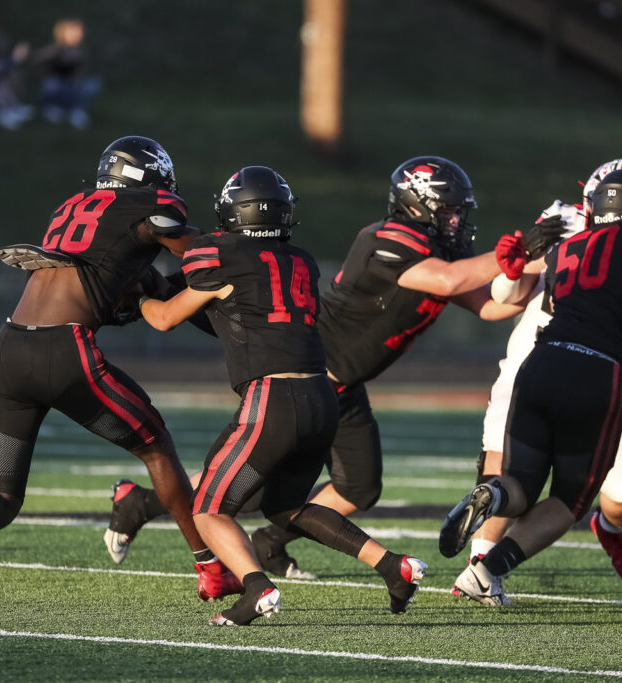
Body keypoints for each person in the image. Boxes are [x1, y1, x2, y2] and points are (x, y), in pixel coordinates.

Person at [105, 156, 564, 578]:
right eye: (448, 211)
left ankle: (259, 538)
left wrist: (539, 264)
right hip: (310, 371)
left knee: (357, 488)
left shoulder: (437, 252)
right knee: (247, 491)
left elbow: (491, 307)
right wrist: (522, 248)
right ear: (417, 206)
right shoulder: (387, 238)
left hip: (343, 382)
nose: (456, 221)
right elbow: (447, 279)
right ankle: (148, 507)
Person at [0, 136, 243, 605]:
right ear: (147, 175)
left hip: (9, 348)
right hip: (63, 350)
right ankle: (209, 565)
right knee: (157, 449)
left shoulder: (74, 206)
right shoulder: (153, 203)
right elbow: (194, 251)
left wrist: (144, 291)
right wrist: (237, 249)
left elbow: (117, 272)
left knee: (2, 501)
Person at [138, 165, 427, 626]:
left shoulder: (219, 254)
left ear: (234, 212)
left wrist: (137, 294)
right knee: (287, 506)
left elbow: (165, 317)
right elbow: (233, 311)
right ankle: (395, 566)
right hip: (321, 395)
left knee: (209, 509)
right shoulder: (302, 261)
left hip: (272, 396)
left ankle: (257, 587)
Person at [438, 168, 622, 606]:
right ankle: (485, 569)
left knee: (521, 483)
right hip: (597, 371)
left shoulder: (570, 243)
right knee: (570, 499)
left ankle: (492, 496)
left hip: (543, 360)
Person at [33, 18, 100, 130]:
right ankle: (54, 109)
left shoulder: (80, 52)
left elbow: (80, 74)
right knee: (52, 84)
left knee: (93, 84)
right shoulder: (55, 49)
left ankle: (74, 111)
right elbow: (38, 61)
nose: (79, 34)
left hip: (71, 86)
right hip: (57, 87)